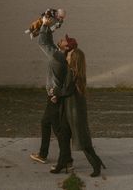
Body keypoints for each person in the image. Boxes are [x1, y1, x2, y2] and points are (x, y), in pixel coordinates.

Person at [50, 47, 106, 177]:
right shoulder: (76, 72)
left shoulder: (73, 72)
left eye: (69, 56)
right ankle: (62, 162)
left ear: (73, 59)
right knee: (63, 137)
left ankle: (96, 163)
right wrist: (58, 95)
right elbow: (68, 91)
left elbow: (67, 91)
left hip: (74, 113)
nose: (67, 57)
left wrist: (55, 92)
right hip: (69, 111)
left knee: (83, 140)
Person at [30, 17, 76, 165]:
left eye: (64, 41)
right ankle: (46, 154)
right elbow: (49, 42)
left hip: (53, 95)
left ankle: (64, 158)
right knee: (47, 123)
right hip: (54, 94)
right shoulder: (60, 55)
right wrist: (51, 25)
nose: (62, 39)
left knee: (57, 128)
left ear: (66, 47)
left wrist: (44, 24)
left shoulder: (57, 56)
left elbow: (43, 42)